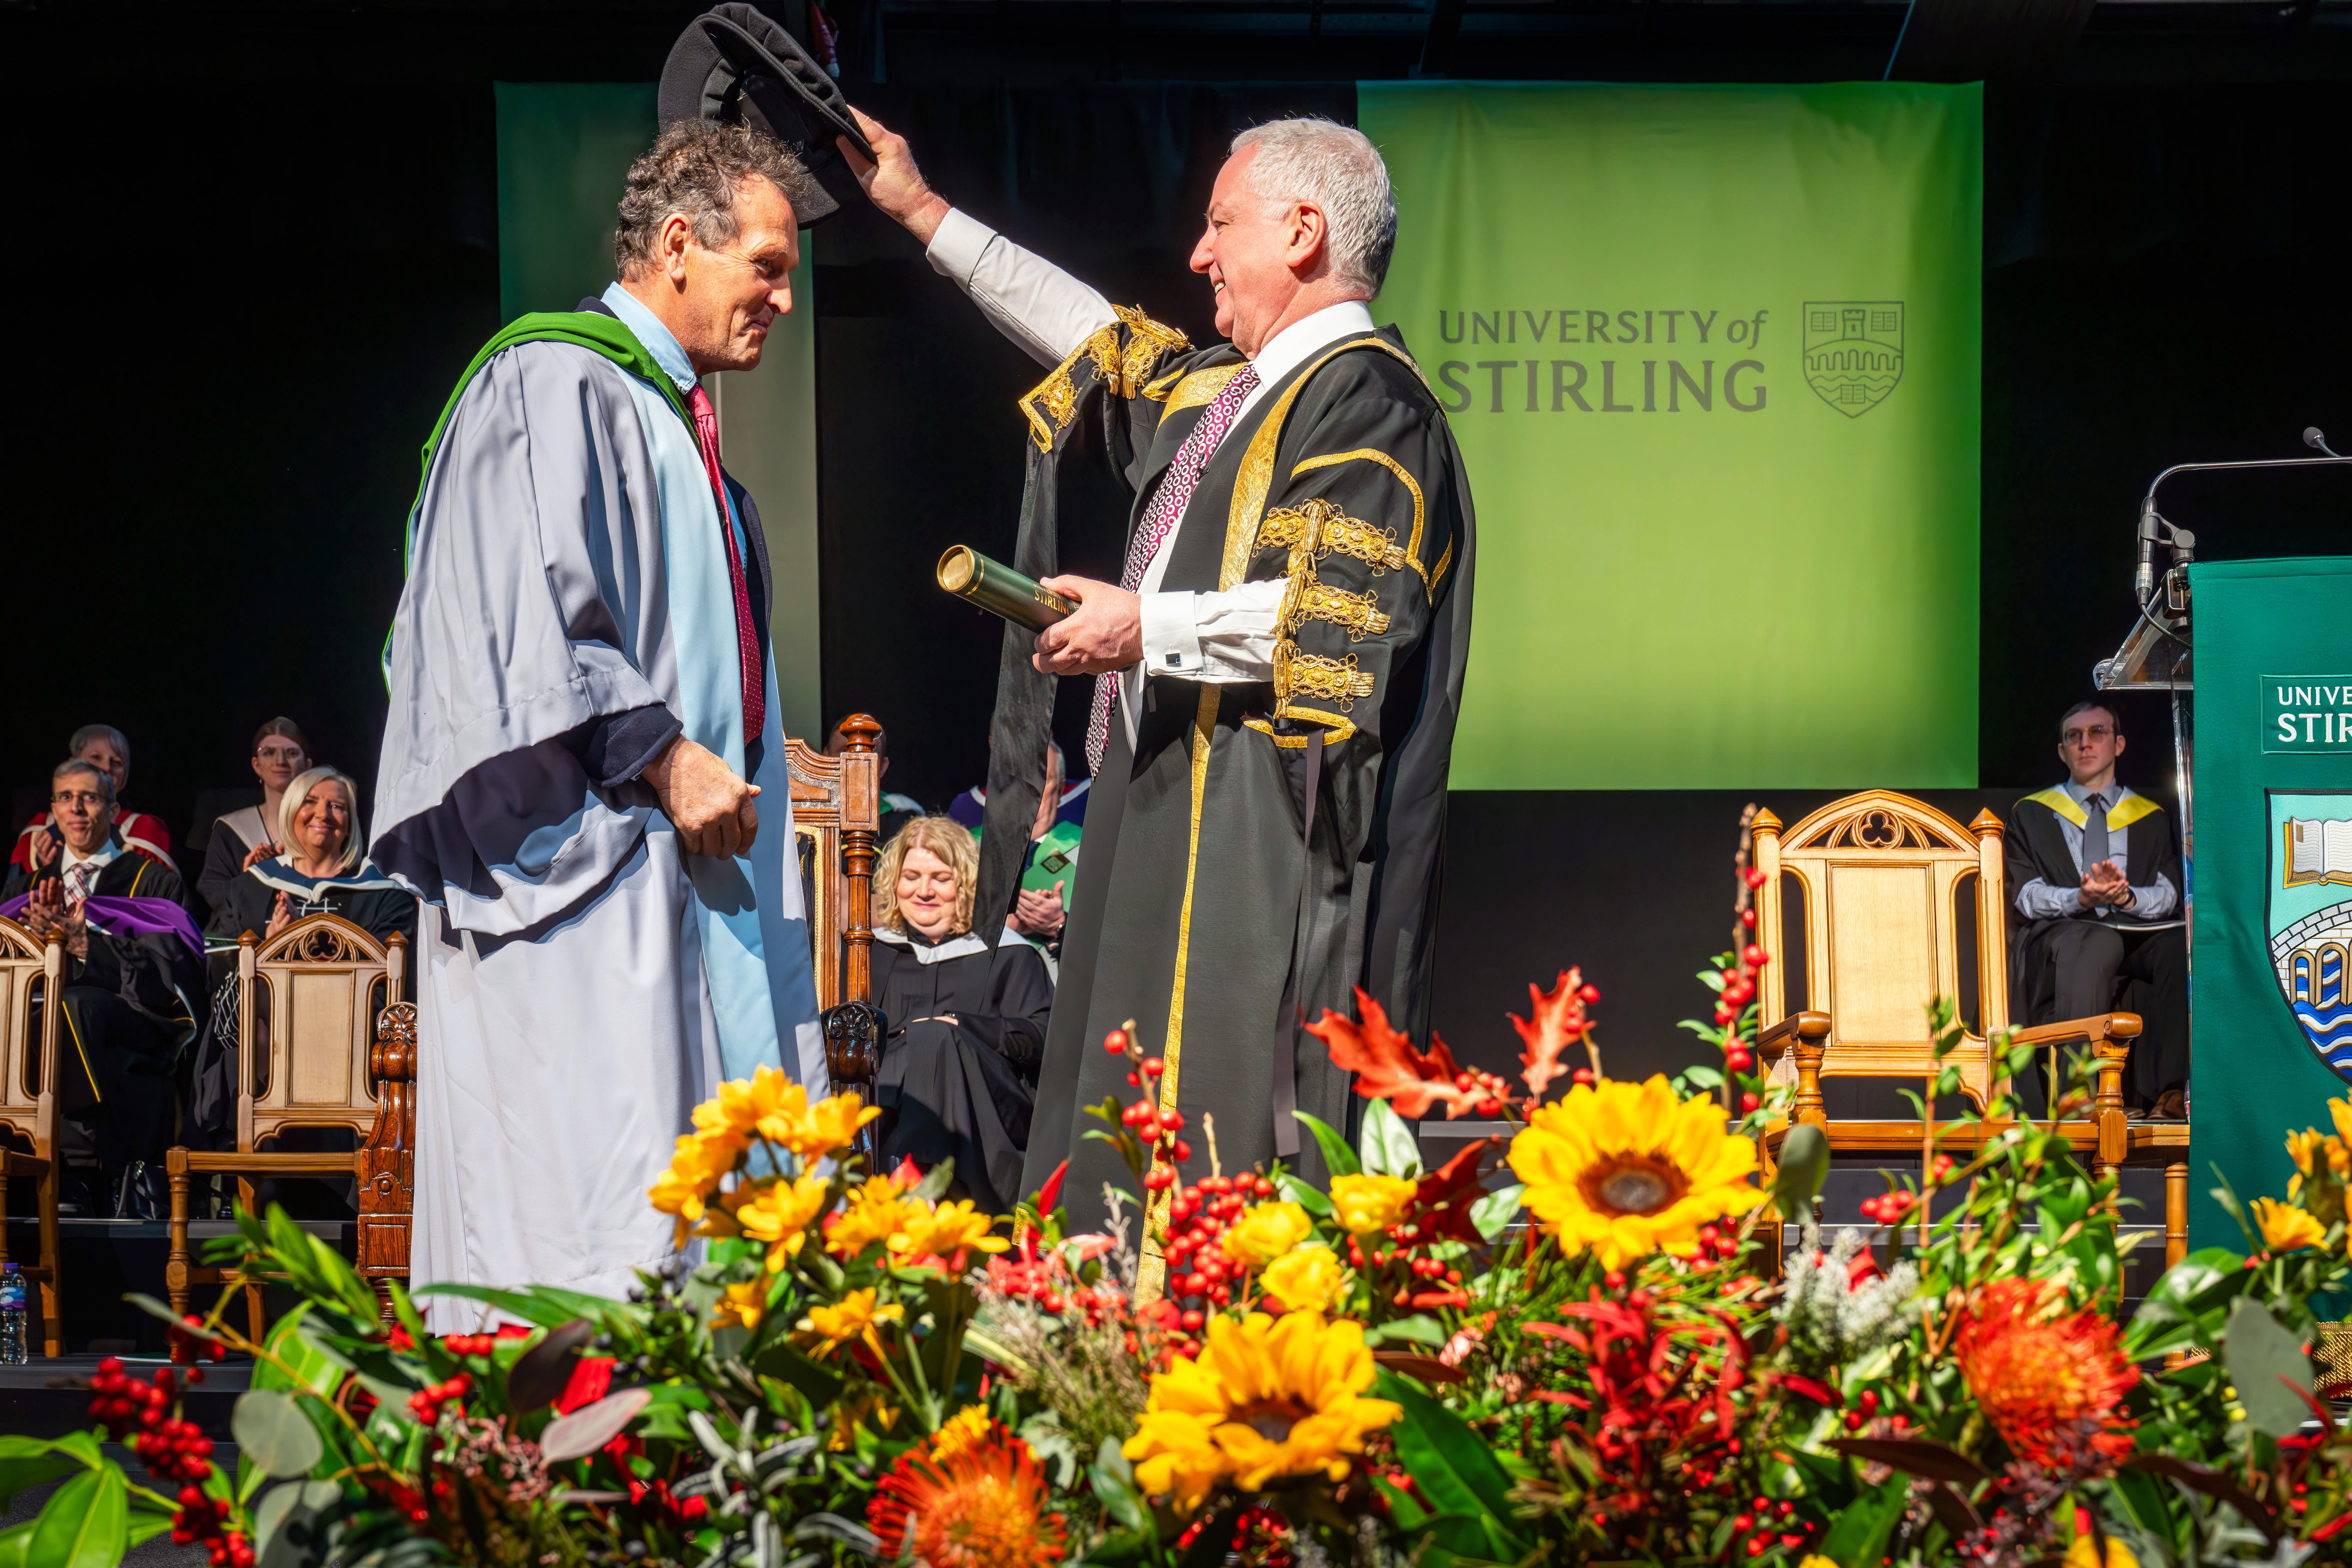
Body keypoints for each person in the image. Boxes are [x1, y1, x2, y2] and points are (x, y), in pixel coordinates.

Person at [848, 112, 1475, 1224]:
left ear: (1300, 230)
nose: (1195, 255)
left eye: (1217, 223)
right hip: (1171, 834)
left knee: (1228, 1169)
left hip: (1266, 860)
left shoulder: (1368, 403)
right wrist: (920, 213)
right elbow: (1090, 336)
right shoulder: (1233, 394)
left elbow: (1336, 623)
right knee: (1124, 1142)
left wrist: (1147, 629)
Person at [373, 118, 829, 1323]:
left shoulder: (676, 425)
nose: (782, 300)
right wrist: (661, 752)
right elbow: (511, 615)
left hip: (684, 885)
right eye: (766, 270)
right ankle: (566, 1487)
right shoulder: (549, 381)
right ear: (678, 243)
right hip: (584, 890)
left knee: (701, 1216)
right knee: (593, 1218)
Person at [0, 760, 203, 1212]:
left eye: (90, 797)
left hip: (131, 1021)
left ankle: (77, 1168)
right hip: (31, 1024)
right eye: (65, 798)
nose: (77, 808)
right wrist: (36, 949)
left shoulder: (152, 882)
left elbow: (170, 973)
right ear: (53, 809)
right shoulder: (25, 890)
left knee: (75, 1007)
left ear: (113, 808)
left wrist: (83, 945)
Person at [194, 766, 416, 1154]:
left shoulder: (384, 892)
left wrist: (295, 955)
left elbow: (390, 989)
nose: (324, 814)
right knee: (250, 1021)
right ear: (291, 810)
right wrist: (268, 957)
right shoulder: (252, 887)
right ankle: (248, 1159)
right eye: (311, 803)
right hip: (263, 1045)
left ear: (351, 822)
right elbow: (222, 981)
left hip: (351, 1042)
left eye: (337, 806)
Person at [2007, 701, 2187, 1119]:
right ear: (2061, 750)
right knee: (2095, 940)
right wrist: (2081, 898)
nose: (2084, 743)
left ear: (2118, 743)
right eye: (2073, 736)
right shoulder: (2030, 813)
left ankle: (2169, 1092)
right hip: (2061, 934)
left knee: (2177, 947)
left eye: (2097, 732)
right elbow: (2025, 895)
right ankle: (2079, 1093)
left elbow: (2166, 892)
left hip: (2134, 928)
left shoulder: (2150, 817)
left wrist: (2125, 898)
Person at [868, 816, 1053, 1216]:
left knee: (936, 1040)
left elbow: (1042, 1036)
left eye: (940, 878)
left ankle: (920, 1196)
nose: (924, 891)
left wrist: (962, 1027)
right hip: (884, 1107)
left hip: (982, 1112)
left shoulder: (1011, 955)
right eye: (912, 876)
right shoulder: (870, 954)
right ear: (894, 884)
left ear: (966, 882)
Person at [949, 738, 1085, 953]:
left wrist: (1060, 924)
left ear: (1059, 790)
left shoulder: (1091, 851)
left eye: (1041, 781)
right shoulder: (958, 849)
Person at [12, 724, 175, 877]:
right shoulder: (37, 833)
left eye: (117, 763)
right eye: (96, 758)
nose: (107, 768)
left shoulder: (144, 830)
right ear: (71, 764)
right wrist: (47, 872)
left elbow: (162, 901)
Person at [195, 719, 312, 921]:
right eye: (269, 752)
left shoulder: (324, 826)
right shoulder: (231, 830)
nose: (280, 762)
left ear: (308, 765)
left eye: (292, 753)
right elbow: (215, 896)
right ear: (256, 765)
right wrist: (252, 880)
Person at [825, 715, 926, 839]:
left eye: (868, 754)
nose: (856, 762)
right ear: (825, 758)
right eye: (844, 751)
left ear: (882, 767)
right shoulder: (806, 816)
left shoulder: (906, 825)